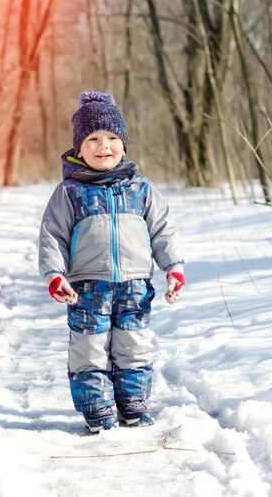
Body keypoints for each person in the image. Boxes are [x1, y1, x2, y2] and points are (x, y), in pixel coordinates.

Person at [38, 91, 186, 432]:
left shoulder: (141, 189)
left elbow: (163, 230)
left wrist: (174, 267)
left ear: (124, 144)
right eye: (93, 139)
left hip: (135, 285)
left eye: (112, 138)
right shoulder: (70, 192)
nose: (103, 146)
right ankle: (98, 407)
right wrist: (54, 275)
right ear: (79, 149)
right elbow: (52, 236)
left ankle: (132, 402)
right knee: (89, 346)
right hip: (87, 286)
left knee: (133, 344)